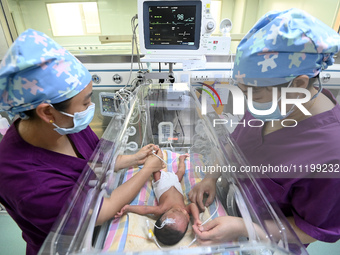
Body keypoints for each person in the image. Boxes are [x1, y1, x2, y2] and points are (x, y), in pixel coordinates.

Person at [0, 29, 165, 255]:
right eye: (86, 103)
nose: (90, 109)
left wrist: (133, 159)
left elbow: (99, 159)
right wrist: (147, 170)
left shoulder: (65, 124)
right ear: (47, 112)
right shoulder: (25, 179)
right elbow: (100, 211)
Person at [189, 8, 340, 246]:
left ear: (298, 83)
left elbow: (314, 230)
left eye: (255, 93)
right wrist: (211, 177)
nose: (248, 100)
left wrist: (245, 228)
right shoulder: (274, 102)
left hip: (272, 240)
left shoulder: (331, 154)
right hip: (235, 208)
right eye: (243, 90)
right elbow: (237, 141)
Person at [115, 154, 202, 245]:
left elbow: (145, 209)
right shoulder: (185, 210)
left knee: (155, 170)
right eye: (187, 217)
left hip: (161, 183)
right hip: (175, 181)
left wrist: (128, 208)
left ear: (163, 216)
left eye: (177, 211)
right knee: (181, 171)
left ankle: (155, 156)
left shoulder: (162, 209)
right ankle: (181, 159)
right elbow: (193, 205)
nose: (184, 211)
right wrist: (196, 219)